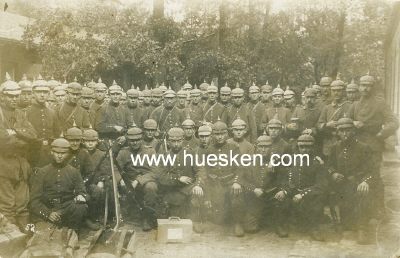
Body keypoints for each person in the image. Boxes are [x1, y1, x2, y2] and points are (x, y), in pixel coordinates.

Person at [346, 73, 399, 218]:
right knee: (356, 176)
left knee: (375, 176)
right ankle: (358, 210)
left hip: (373, 146)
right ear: (359, 87)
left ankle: (380, 209)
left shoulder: (380, 103)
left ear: (373, 87)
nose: (365, 89)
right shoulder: (355, 105)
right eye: (363, 85)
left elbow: (394, 122)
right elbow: (345, 122)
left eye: (369, 86)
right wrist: (352, 123)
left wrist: (381, 134)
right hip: (356, 146)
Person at [327, 117, 376, 244]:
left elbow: (372, 170)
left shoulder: (364, 148)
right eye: (342, 131)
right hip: (340, 184)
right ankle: (341, 222)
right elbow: (328, 166)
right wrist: (333, 173)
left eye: (348, 130)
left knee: (363, 193)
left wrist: (365, 181)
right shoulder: (334, 147)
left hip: (357, 183)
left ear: (353, 131)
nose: (345, 134)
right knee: (346, 222)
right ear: (338, 132)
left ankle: (362, 228)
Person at [0, 75, 37, 230]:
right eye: (10, 96)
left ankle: (24, 234)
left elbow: (33, 135)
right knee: (7, 205)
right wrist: (21, 138)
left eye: (16, 96)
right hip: (4, 166)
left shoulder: (21, 114)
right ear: (2, 96)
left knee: (22, 204)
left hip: (22, 166)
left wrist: (14, 132)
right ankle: (10, 236)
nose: (14, 99)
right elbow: (3, 142)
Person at [275, 133, 328, 241]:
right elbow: (285, 178)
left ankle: (314, 229)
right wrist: (284, 190)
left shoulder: (317, 162)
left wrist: (303, 194)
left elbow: (321, 185)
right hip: (292, 190)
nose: (304, 149)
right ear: (298, 147)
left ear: (312, 147)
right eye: (302, 147)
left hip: (309, 193)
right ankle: (281, 225)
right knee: (280, 196)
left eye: (307, 147)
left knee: (318, 199)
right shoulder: (290, 159)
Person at [199, 119, 245, 237]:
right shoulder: (208, 150)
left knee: (236, 195)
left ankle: (237, 223)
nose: (219, 137)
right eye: (216, 134)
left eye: (222, 134)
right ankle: (206, 219)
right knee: (218, 220)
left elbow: (240, 167)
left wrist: (237, 182)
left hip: (230, 182)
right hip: (215, 184)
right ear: (213, 135)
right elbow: (205, 169)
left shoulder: (233, 147)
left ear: (227, 134)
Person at [29, 137, 88, 230]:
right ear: (52, 152)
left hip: (66, 210)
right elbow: (34, 200)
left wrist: (81, 195)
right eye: (57, 153)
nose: (59, 156)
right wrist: (47, 214)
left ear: (68, 153)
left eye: (63, 153)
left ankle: (73, 231)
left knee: (81, 207)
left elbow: (83, 192)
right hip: (48, 208)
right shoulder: (42, 172)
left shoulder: (74, 172)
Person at [116, 125, 158, 231]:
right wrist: (120, 180)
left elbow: (155, 171)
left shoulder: (150, 151)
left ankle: (147, 218)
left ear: (141, 139)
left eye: (137, 140)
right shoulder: (123, 152)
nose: (134, 143)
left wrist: (139, 180)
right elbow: (115, 169)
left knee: (151, 187)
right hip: (128, 181)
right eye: (132, 140)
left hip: (146, 180)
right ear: (128, 140)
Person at [26, 75, 60, 168]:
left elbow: (57, 134)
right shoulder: (26, 113)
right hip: (32, 154)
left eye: (45, 92)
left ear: (49, 94)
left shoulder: (52, 113)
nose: (42, 95)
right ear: (33, 93)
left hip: (50, 153)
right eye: (39, 92)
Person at [318, 75, 352, 158]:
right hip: (329, 144)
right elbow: (319, 125)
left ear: (344, 91)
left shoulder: (350, 106)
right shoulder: (327, 108)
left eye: (339, 90)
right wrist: (327, 125)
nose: (336, 93)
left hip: (346, 144)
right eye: (333, 91)